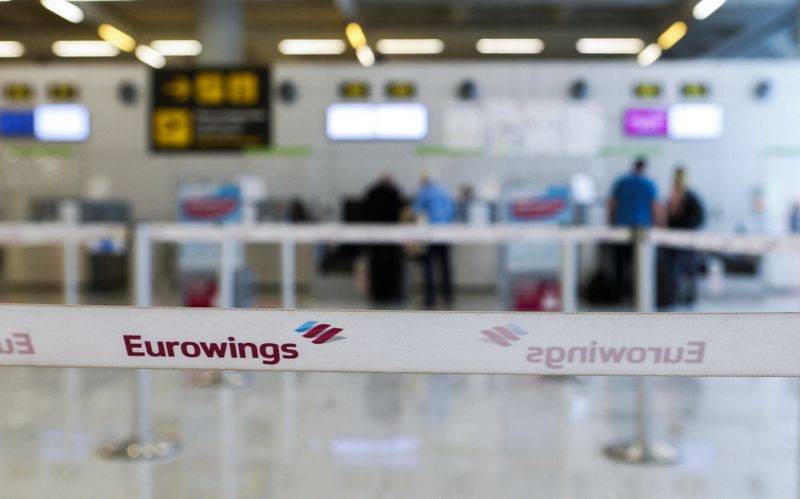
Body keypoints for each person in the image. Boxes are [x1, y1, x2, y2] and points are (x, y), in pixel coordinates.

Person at [607, 157, 660, 301]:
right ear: (644, 168)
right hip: (641, 229)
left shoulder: (621, 182)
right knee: (638, 264)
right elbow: (655, 207)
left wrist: (612, 222)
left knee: (619, 263)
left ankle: (618, 295)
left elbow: (612, 203)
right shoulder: (648, 184)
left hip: (621, 227)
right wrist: (659, 226)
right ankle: (636, 294)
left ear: (633, 166)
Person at [414, 172, 456, 309]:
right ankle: (448, 296)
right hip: (445, 232)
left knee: (429, 266)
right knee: (445, 265)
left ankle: (430, 298)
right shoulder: (444, 191)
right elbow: (452, 210)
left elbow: (416, 211)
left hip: (430, 233)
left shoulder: (424, 192)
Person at [362, 174, 406, 304]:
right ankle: (393, 293)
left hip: (375, 237)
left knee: (376, 265)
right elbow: (400, 214)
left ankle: (377, 293)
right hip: (393, 238)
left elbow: (365, 213)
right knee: (393, 266)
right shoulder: (395, 192)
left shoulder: (371, 192)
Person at [665, 167, 704, 304]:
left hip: (687, 241)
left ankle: (688, 297)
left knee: (689, 271)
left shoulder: (691, 197)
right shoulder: (673, 197)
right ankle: (673, 296)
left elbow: (699, 218)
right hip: (674, 242)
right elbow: (669, 218)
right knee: (675, 271)